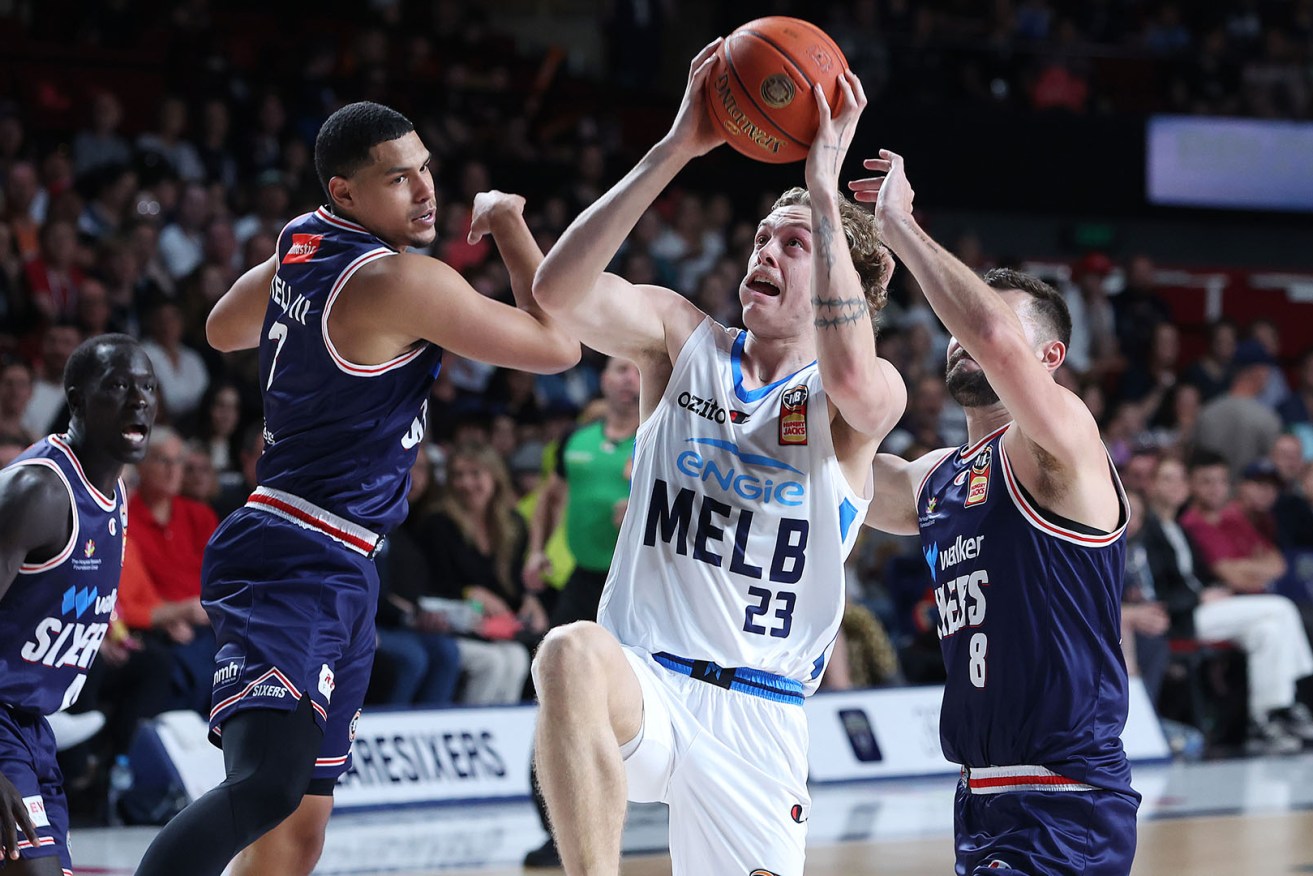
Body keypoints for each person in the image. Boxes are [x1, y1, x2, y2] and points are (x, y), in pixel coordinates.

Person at [134, 100, 578, 876]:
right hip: (299, 552)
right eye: (397, 178)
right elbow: (558, 346)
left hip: (339, 559)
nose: (424, 192)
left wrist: (299, 291)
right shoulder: (402, 282)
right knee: (266, 788)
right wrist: (508, 225)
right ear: (345, 193)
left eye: (425, 169)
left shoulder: (303, 241)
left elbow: (222, 328)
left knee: (298, 833)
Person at [530, 43, 905, 876]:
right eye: (762, 237)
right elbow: (556, 293)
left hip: (758, 716)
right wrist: (676, 146)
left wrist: (822, 185)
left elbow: (850, 375)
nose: (763, 254)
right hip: (647, 686)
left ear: (853, 279)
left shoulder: (863, 398)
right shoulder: (679, 339)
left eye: (794, 245)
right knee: (567, 651)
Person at [855, 151, 1139, 873]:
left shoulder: (1064, 440)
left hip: (1065, 800)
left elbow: (990, 337)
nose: (960, 334)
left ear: (1048, 355)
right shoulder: (936, 477)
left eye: (985, 324)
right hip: (979, 797)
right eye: (955, 324)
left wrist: (898, 225)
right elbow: (831, 464)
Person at [0, 333, 157, 875]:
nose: (138, 400)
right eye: (116, 386)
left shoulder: (114, 493)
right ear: (76, 399)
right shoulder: (38, 492)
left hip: (35, 730)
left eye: (147, 387)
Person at [522, 355, 639, 867]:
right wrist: (536, 548)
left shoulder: (665, 437)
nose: (627, 378)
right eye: (618, 368)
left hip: (639, 589)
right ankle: (558, 831)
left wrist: (643, 507)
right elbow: (551, 496)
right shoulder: (576, 440)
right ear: (603, 380)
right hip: (581, 585)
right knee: (555, 705)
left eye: (637, 369)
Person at [1142, 455, 1313, 753]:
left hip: (1205, 606)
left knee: (1268, 632)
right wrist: (1200, 596)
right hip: (1182, 617)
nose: (1175, 486)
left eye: (1179, 479)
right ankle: (1291, 698)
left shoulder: (1177, 528)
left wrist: (1212, 590)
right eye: (1166, 478)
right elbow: (1153, 587)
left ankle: (1264, 719)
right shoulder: (1147, 530)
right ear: (1152, 485)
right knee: (1281, 608)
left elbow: (1203, 575)